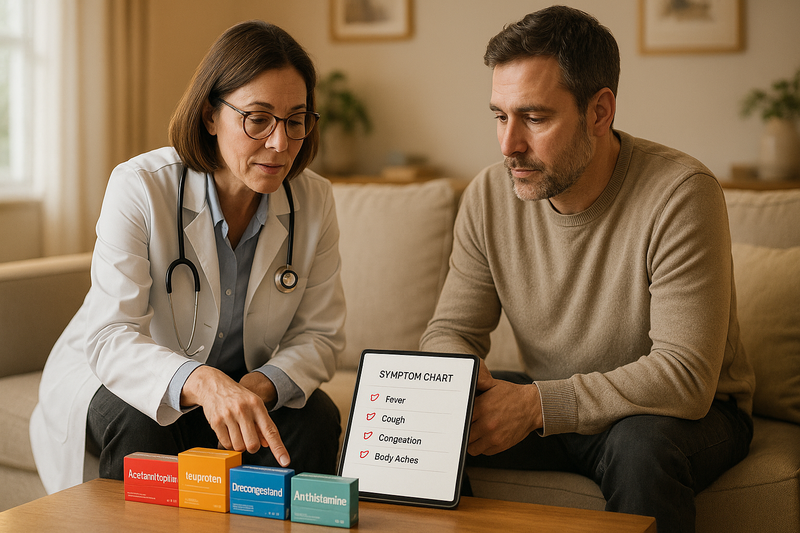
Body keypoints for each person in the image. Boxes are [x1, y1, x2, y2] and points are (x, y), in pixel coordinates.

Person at [419, 6, 754, 532]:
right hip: (554, 396)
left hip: (680, 415)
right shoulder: (487, 195)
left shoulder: (681, 194)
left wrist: (536, 407)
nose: (509, 145)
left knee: (641, 447)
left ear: (599, 112)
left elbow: (684, 377)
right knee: (432, 420)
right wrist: (454, 380)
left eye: (535, 118)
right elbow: (451, 330)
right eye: (500, 116)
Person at [29, 20, 346, 494]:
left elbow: (320, 335)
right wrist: (204, 383)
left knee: (316, 416)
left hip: (241, 382)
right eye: (258, 118)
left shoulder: (313, 200)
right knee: (143, 424)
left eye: (295, 120)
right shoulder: (141, 187)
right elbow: (112, 335)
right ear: (210, 115)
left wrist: (257, 387)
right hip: (122, 377)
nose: (280, 143)